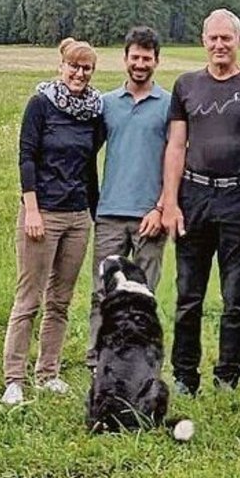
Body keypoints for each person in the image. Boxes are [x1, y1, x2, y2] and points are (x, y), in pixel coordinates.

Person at [158, 9, 240, 394]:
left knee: (236, 296)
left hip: (239, 199)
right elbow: (176, 146)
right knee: (188, 295)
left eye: (227, 38)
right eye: (213, 38)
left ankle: (229, 375)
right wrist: (171, 203)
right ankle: (184, 375)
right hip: (194, 198)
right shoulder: (186, 86)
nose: (220, 45)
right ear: (203, 41)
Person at [1, 37, 105, 406]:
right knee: (28, 300)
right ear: (61, 66)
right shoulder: (40, 105)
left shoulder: (94, 112)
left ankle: (48, 372)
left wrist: (93, 212)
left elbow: (89, 164)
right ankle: (14, 378)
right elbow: (26, 157)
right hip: (42, 213)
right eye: (74, 66)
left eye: (86, 68)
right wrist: (31, 208)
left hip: (78, 216)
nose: (79, 73)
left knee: (60, 301)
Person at [85, 26, 170, 369]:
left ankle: (139, 360)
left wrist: (162, 207)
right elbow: (84, 151)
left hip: (151, 215)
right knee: (102, 293)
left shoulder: (168, 106)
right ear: (125, 59)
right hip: (109, 213)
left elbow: (176, 160)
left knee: (143, 295)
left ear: (156, 62)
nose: (140, 64)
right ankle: (97, 359)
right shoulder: (106, 105)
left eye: (146, 58)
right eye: (134, 57)